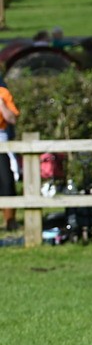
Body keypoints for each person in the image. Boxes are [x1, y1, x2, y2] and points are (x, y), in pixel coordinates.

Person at [0, 76, 20, 231]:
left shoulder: (3, 93)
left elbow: (12, 118)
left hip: (1, 138)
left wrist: (1, 105)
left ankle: (10, 220)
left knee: (7, 180)